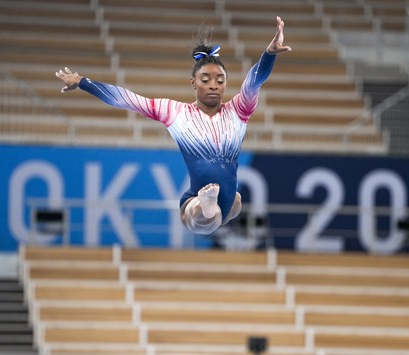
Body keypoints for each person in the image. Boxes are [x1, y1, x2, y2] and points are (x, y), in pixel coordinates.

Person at [56, 16, 291, 235]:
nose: (213, 86)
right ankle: (206, 206)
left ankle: (214, 207)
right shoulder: (176, 112)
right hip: (195, 199)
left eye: (220, 81)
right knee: (203, 216)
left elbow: (253, 82)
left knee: (234, 205)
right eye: (205, 80)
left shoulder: (238, 110)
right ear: (193, 82)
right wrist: (83, 82)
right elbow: (126, 99)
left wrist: (269, 54)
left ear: (226, 84)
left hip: (228, 199)